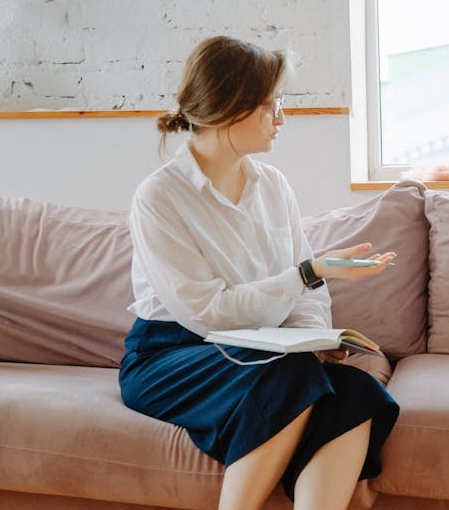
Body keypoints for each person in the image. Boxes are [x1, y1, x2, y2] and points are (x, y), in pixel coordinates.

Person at [118, 36, 399, 510]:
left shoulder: (273, 186)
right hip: (172, 354)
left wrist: (315, 342)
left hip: (265, 348)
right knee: (286, 377)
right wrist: (308, 274)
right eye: (272, 105)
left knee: (355, 391)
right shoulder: (159, 197)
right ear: (231, 108)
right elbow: (208, 313)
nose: (281, 118)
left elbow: (307, 298)